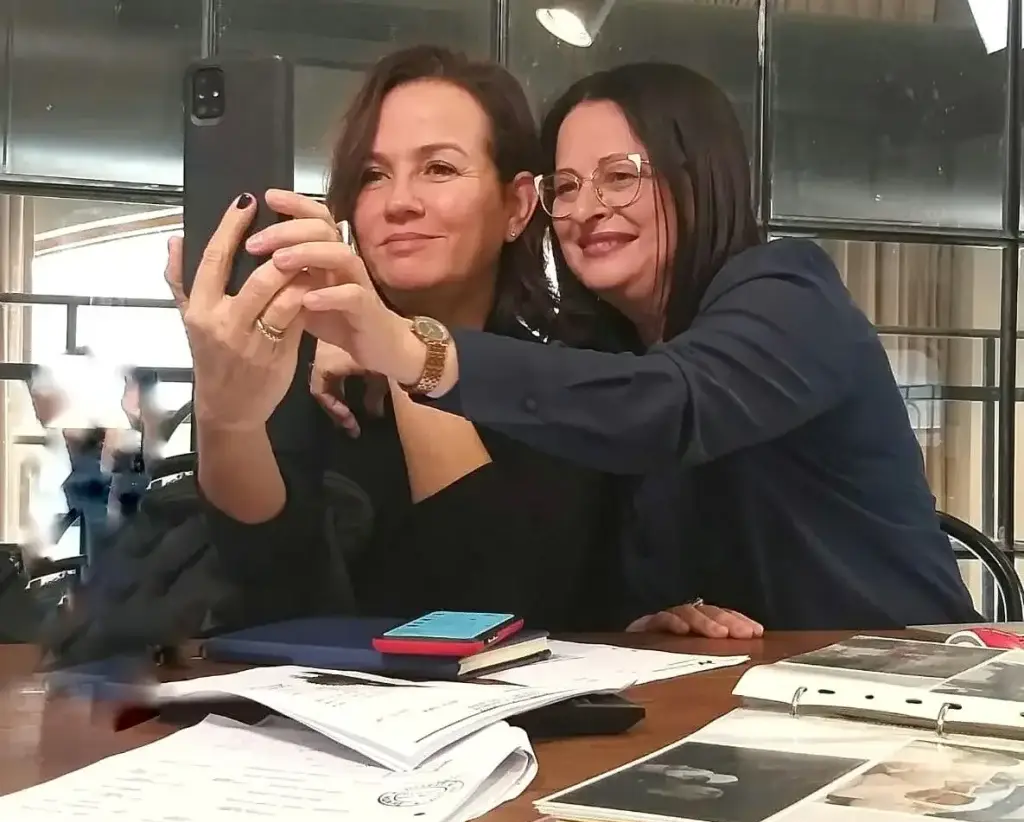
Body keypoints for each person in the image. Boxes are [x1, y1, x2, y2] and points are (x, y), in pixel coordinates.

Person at [279, 61, 980, 633]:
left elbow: (672, 406)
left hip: (912, 681)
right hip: (739, 701)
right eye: (566, 187)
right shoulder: (600, 355)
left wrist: (407, 346)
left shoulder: (789, 292)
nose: (586, 210)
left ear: (697, 177)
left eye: (620, 177)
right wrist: (645, 619)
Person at [165, 46, 620, 631]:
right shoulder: (303, 363)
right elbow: (269, 584)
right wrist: (226, 414)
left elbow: (493, 605)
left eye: (439, 169)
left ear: (516, 205)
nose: (400, 202)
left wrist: (397, 347)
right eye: (373, 175)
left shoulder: (564, 370)